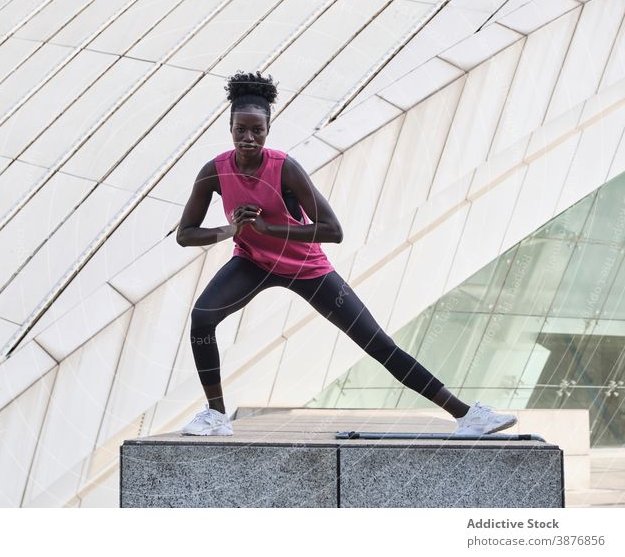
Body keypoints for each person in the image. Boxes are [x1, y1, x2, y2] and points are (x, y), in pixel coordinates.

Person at [175, 70, 516, 437]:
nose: (248, 138)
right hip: (253, 263)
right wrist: (231, 231)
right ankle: (216, 415)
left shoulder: (284, 168)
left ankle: (468, 416)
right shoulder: (215, 171)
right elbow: (185, 234)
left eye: (256, 130)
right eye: (241, 129)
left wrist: (268, 228)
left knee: (377, 343)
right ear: (230, 127)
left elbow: (333, 231)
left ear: (268, 130)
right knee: (202, 318)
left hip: (307, 268)